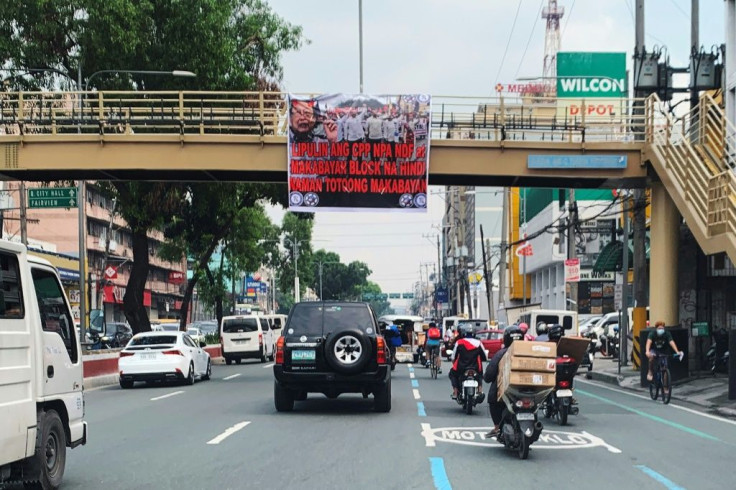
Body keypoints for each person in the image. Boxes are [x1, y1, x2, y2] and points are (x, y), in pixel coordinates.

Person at [484, 326, 524, 438]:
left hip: (508, 393)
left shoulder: (501, 353)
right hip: (529, 390)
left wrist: (487, 377)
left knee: (492, 397)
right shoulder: (528, 352)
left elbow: (489, 374)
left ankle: (497, 427)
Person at [448, 324, 487, 400]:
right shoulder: (478, 343)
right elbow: (484, 357)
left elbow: (453, 357)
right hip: (476, 368)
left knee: (452, 374)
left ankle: (455, 393)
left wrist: (454, 363)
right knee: (479, 376)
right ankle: (480, 391)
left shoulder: (459, 342)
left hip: (461, 368)